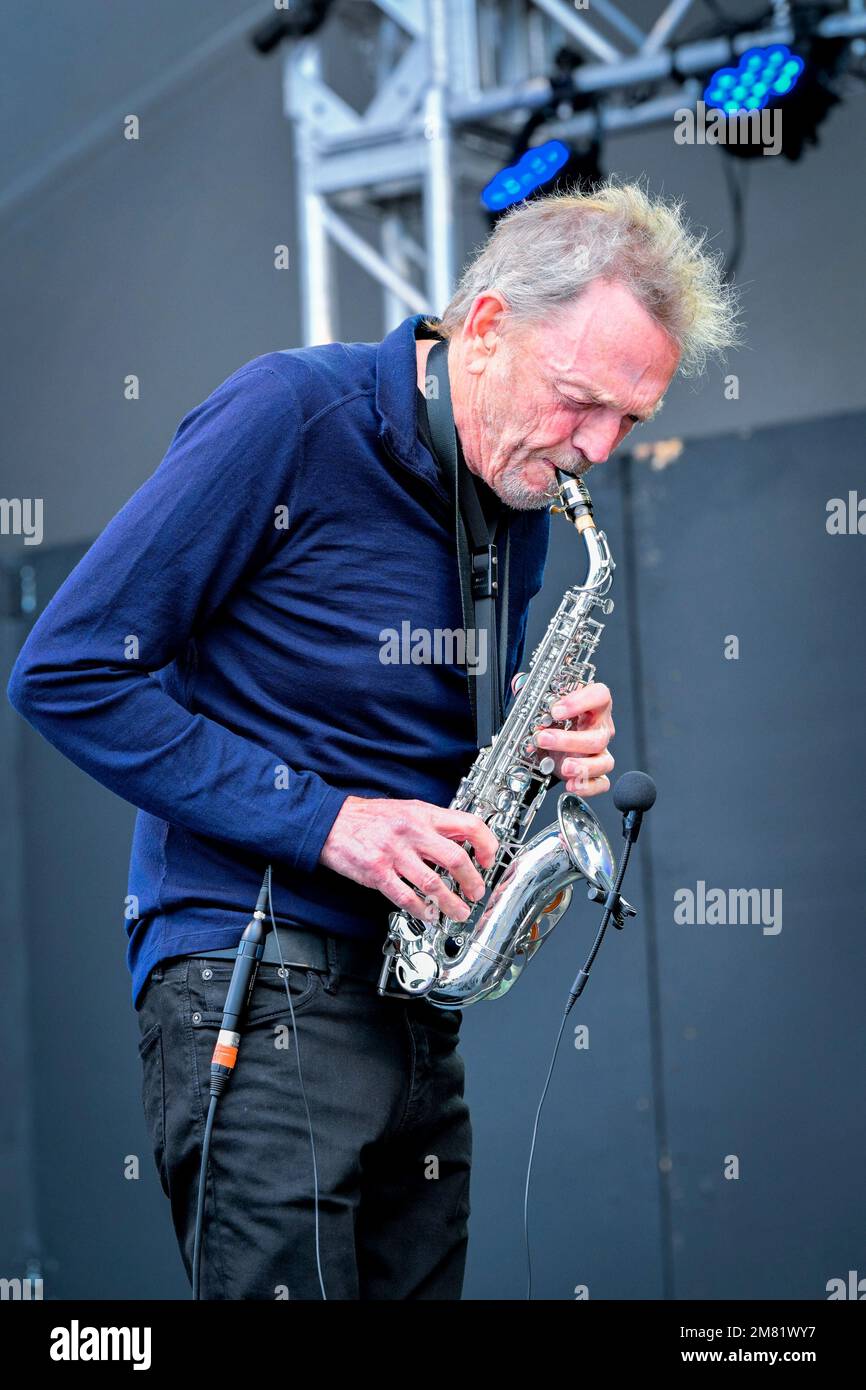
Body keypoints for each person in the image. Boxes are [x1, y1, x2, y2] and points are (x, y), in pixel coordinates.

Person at [6, 181, 737, 1300]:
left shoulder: (516, 498)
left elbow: (435, 765)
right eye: (579, 401)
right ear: (484, 327)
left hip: (409, 1004)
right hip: (250, 980)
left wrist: (535, 748)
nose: (594, 447)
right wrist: (330, 821)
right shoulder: (287, 417)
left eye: (628, 423)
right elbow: (64, 671)